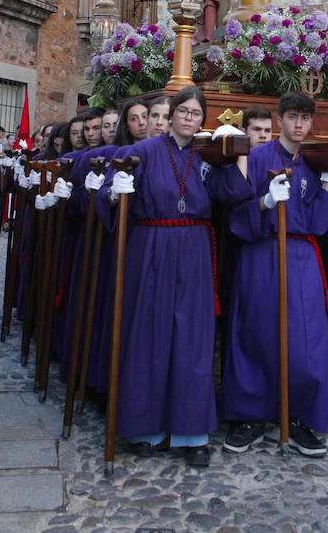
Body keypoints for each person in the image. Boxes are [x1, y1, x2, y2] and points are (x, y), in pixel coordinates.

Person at [101, 86, 251, 466]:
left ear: (204, 119)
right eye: (182, 111)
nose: (188, 118)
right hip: (150, 244)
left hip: (195, 248)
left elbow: (232, 192)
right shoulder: (144, 151)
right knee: (148, 332)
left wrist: (237, 156)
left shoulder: (207, 155)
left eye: (196, 113)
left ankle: (190, 431)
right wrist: (114, 192)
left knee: (193, 335)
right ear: (169, 117)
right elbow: (109, 188)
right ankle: (146, 427)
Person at [222, 92, 328, 457]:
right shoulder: (256, 158)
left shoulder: (313, 163)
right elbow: (235, 214)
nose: (299, 124)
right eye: (292, 117)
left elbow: (320, 221)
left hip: (302, 256)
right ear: (280, 120)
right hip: (263, 250)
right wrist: (264, 202)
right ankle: (250, 416)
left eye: (305, 117)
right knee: (256, 333)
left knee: (307, 341)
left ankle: (301, 416)